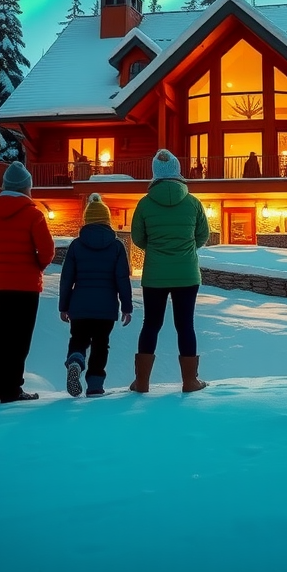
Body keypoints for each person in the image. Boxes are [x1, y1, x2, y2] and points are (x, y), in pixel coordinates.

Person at [129, 148, 211, 393]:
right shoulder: (193, 202)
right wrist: (184, 249)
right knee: (185, 325)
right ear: (177, 171)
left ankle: (142, 382)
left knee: (151, 325)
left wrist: (157, 249)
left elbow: (137, 238)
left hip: (154, 275)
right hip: (187, 274)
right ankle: (190, 381)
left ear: (155, 174)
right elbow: (203, 235)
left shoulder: (144, 204)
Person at [0, 161, 56, 404]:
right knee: (19, 340)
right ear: (26, 188)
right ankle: (11, 389)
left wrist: (1, 263)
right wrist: (36, 266)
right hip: (26, 287)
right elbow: (47, 251)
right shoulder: (34, 215)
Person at [59, 193, 133, 397]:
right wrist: (126, 307)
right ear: (107, 220)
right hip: (106, 308)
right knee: (101, 345)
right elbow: (122, 279)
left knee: (78, 339)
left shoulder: (76, 245)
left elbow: (67, 278)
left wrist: (63, 306)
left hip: (79, 307)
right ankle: (95, 385)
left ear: (87, 219)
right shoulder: (117, 246)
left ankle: (75, 361)